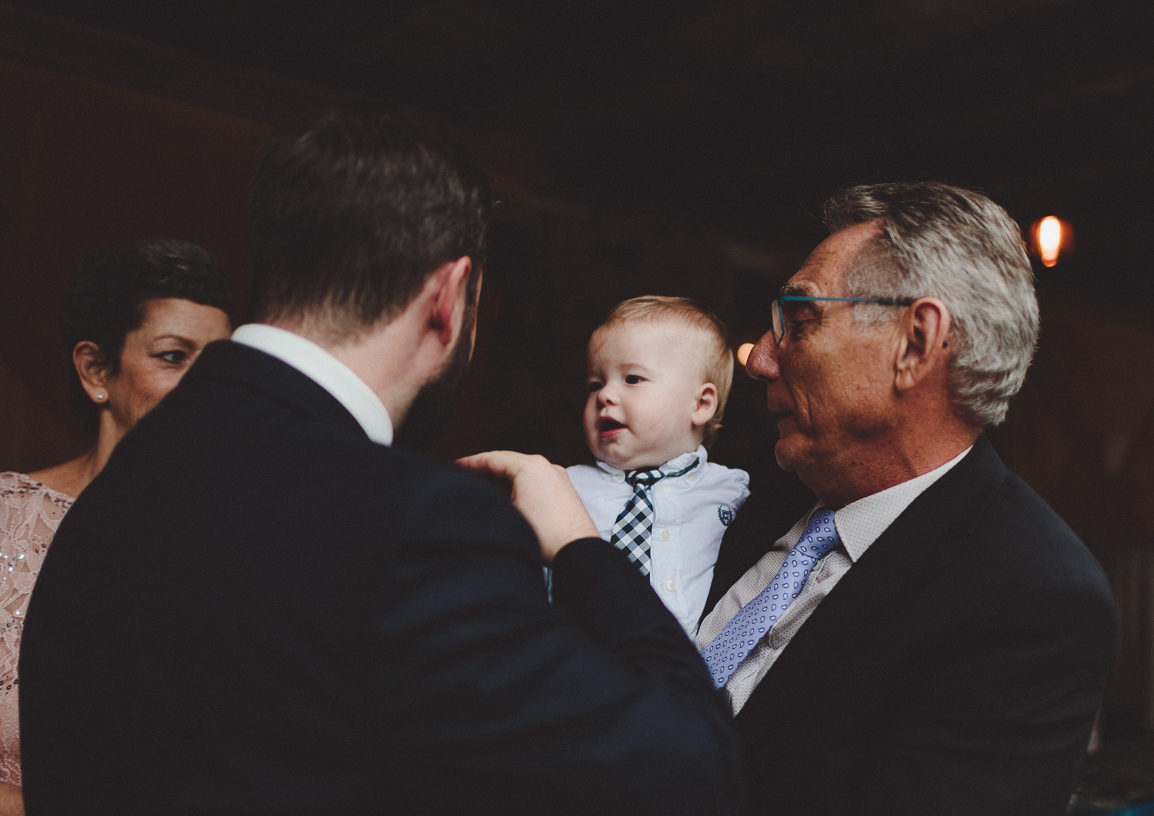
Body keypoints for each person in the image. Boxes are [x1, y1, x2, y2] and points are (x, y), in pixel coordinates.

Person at [19, 104, 741, 816]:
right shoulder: (416, 520)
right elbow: (685, 773)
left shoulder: (125, 478)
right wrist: (583, 547)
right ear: (450, 297)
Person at [695, 182, 1120, 816]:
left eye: (800, 318)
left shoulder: (1033, 599)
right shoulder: (749, 492)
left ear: (916, 342)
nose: (758, 357)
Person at [0, 238, 234, 815]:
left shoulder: (240, 544)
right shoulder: (5, 519)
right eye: (173, 357)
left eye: (220, 366)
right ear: (96, 369)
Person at [567, 296, 749, 637]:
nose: (605, 394)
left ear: (701, 404)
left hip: (677, 671)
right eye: (595, 383)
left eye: (632, 379)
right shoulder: (564, 487)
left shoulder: (732, 491)